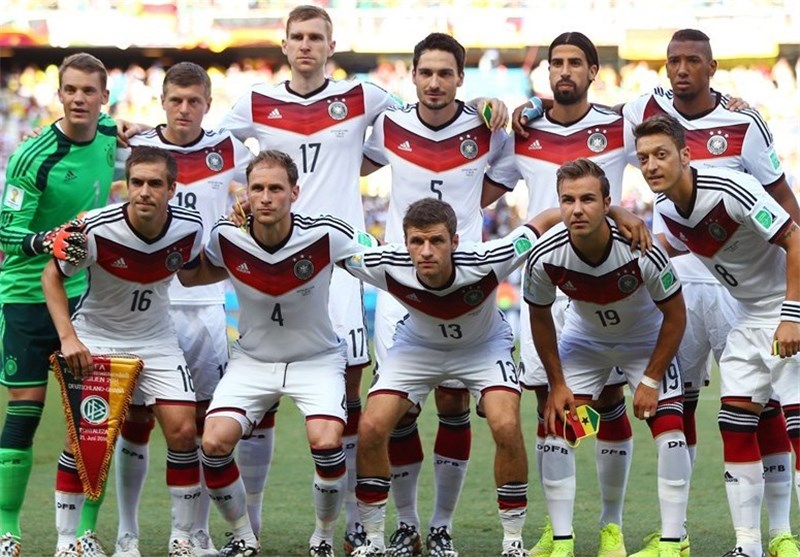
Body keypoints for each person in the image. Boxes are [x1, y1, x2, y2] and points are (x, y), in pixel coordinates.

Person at [215, 6, 400, 543]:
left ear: (330, 46)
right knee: (262, 393)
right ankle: (251, 520)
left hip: (339, 265)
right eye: (297, 36)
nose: (305, 45)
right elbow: (214, 147)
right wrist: (244, 194)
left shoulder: (363, 96)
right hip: (273, 256)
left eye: (316, 37)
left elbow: (418, 120)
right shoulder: (255, 101)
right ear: (284, 44)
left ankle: (351, 524)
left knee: (348, 393)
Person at [621, 29, 800, 556]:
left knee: (796, 427)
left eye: (662, 155)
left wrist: (793, 314)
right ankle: (748, 545)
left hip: (783, 311)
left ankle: (783, 534)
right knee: (735, 424)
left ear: (685, 154)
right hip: (744, 316)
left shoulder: (732, 186)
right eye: (644, 159)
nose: (652, 166)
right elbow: (672, 246)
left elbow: (795, 236)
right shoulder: (668, 209)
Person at [359, 32, 517, 556]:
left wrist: (465, 207)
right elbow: (345, 162)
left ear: (460, 79)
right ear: (412, 76)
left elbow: (503, 176)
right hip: (402, 283)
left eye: (445, 73)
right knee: (400, 412)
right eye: (425, 72)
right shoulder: (389, 125)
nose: (434, 82)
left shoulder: (485, 127)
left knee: (453, 403)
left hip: (464, 281)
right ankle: (405, 525)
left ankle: (441, 526)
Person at [178, 150, 377, 557]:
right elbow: (193, 275)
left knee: (326, 441)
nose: (266, 197)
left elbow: (376, 259)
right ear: (246, 194)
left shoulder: (325, 234)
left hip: (316, 359)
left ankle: (322, 537)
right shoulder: (226, 236)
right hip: (252, 360)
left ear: (294, 193)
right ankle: (243, 537)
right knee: (213, 443)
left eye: (275, 188)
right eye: (257, 189)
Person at [344, 197, 539, 557]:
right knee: (371, 427)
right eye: (417, 242)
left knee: (506, 424)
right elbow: (331, 246)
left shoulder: (488, 259)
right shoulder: (387, 263)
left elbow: (543, 223)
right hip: (417, 347)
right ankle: (374, 540)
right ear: (405, 243)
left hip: (483, 347)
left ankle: (513, 541)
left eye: (436, 240)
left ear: (455, 241)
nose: (426, 251)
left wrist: (618, 213)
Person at [111, 62, 252, 557]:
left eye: (194, 101)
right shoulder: (138, 145)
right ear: (163, 102)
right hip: (148, 304)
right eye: (176, 100)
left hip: (206, 302)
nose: (185, 109)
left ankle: (194, 532)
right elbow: (86, 147)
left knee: (198, 424)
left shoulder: (229, 148)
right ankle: (127, 531)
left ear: (208, 105)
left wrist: (243, 212)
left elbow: (266, 180)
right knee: (136, 420)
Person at [505, 32, 635, 557]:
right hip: (544, 281)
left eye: (575, 63)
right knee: (550, 403)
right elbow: (481, 177)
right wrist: (501, 106)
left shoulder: (618, 125)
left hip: (603, 281)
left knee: (608, 400)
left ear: (593, 71)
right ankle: (559, 530)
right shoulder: (523, 131)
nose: (564, 70)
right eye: (556, 62)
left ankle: (611, 526)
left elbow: (674, 133)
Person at [41, 146, 205, 557]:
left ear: (172, 188)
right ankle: (67, 541)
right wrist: (68, 338)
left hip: (157, 339)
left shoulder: (190, 228)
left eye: (154, 183)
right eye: (136, 182)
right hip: (97, 337)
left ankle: (182, 538)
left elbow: (193, 273)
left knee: (184, 431)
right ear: (126, 185)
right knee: (84, 439)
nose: (144, 191)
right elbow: (51, 277)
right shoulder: (94, 229)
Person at [525, 158, 690, 557]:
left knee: (670, 432)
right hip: (586, 343)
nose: (577, 209)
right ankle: (561, 540)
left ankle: (672, 542)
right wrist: (557, 383)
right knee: (561, 430)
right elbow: (540, 317)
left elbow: (676, 316)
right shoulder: (545, 256)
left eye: (587, 199)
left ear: (606, 202)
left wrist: (650, 380)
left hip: (644, 342)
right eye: (567, 200)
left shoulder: (641, 248)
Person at [0, 53, 118, 557]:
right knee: (25, 412)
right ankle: (7, 530)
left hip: (85, 295)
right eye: (70, 89)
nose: (78, 98)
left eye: (88, 91)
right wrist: (47, 240)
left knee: (92, 417)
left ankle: (81, 535)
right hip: (28, 295)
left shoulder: (111, 134)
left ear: (104, 98)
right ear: (59, 93)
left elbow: (132, 144)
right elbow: (6, 232)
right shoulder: (33, 156)